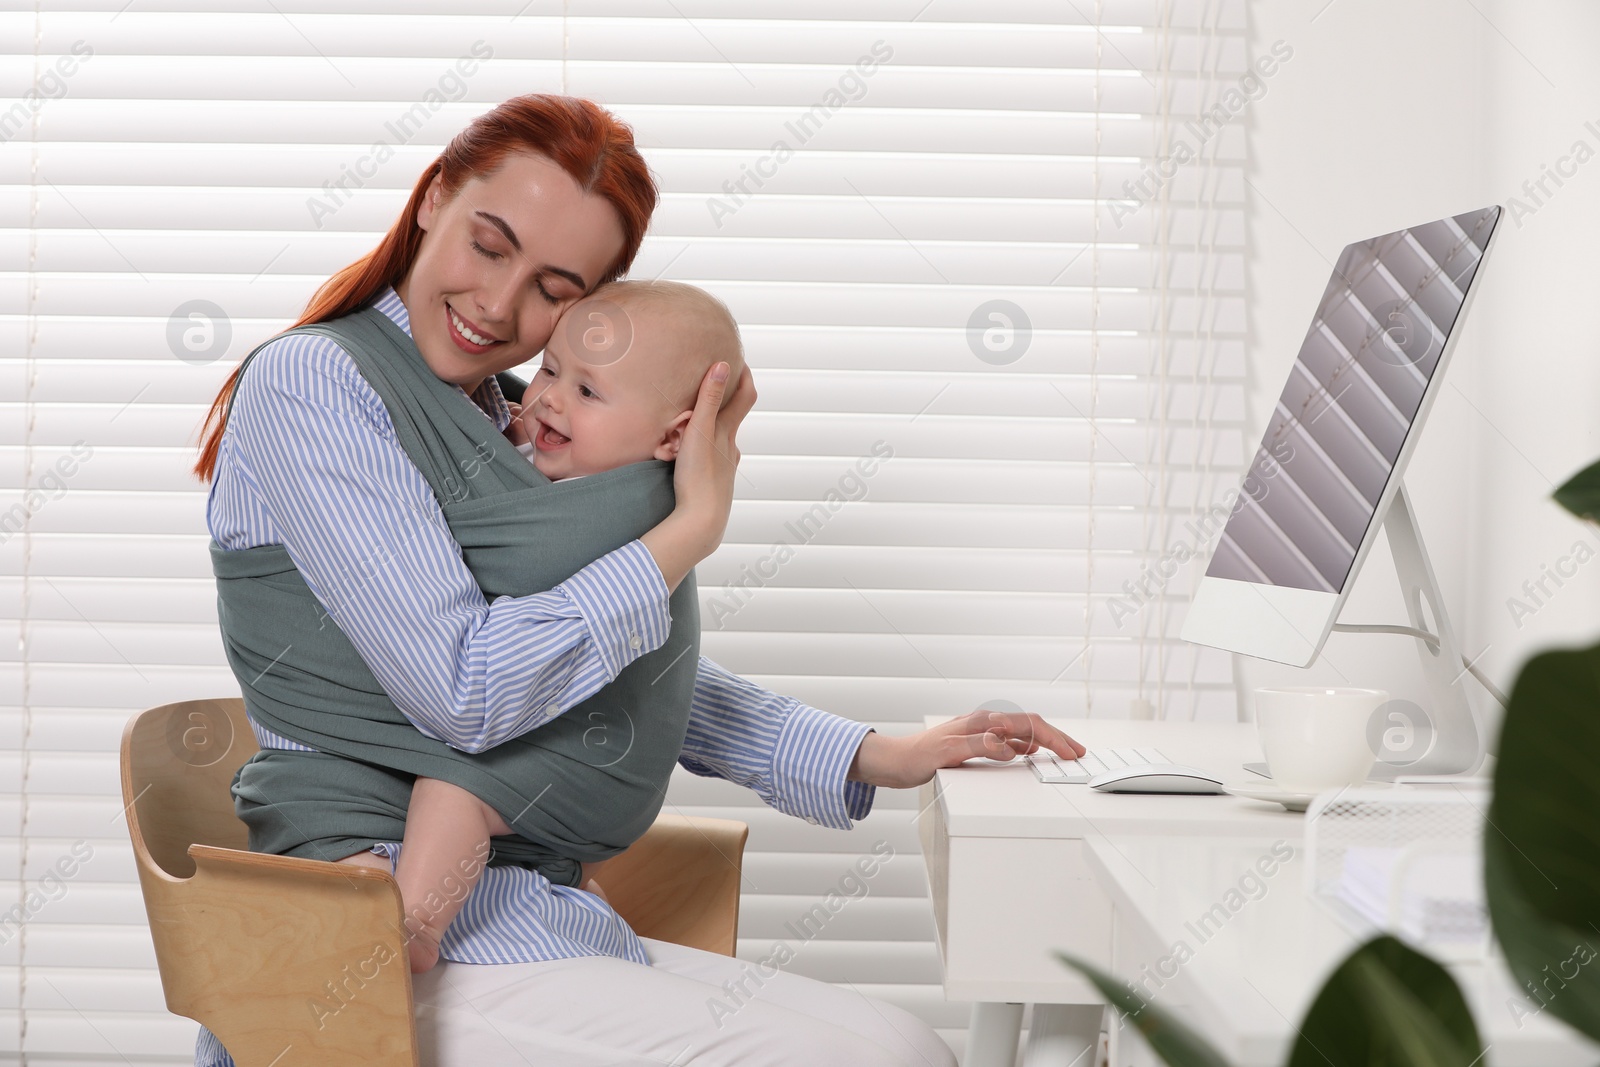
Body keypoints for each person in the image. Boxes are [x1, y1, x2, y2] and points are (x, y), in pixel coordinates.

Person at [194, 93, 1084, 1066]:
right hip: (371, 931)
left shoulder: (506, 418)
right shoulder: (315, 384)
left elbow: (602, 676)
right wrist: (688, 528)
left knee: (905, 1039)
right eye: (489, 245)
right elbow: (470, 687)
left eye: (550, 286)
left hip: (535, 904)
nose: (500, 306)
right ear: (434, 197)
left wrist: (883, 752)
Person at [397, 279, 747, 972]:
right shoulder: (523, 472)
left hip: (581, 759)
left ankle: (415, 922)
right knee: (481, 807)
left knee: (456, 788)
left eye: (588, 392)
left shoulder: (634, 522)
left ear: (676, 435)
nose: (549, 396)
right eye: (552, 368)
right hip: (549, 770)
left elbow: (664, 675)